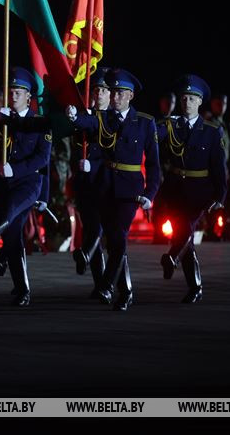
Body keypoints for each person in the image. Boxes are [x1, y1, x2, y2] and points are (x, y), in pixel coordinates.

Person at [66, 68, 161, 311]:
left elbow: (153, 164)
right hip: (105, 187)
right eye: (113, 92)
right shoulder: (103, 118)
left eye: (120, 93)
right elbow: (86, 121)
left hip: (130, 190)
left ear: (130, 96)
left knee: (118, 237)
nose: (115, 97)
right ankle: (126, 291)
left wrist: (150, 195)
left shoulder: (145, 123)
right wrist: (74, 115)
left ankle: (107, 284)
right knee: (114, 241)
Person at [0, 67, 51, 306]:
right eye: (12, 92)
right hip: (3, 183)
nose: (14, 96)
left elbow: (43, 158)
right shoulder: (1, 119)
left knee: (10, 211)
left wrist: (17, 169)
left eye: (19, 92)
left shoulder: (40, 122)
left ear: (29, 97)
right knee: (12, 236)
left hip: (28, 182)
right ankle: (22, 289)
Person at [155, 75, 227, 303]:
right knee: (184, 236)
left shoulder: (212, 131)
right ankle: (195, 286)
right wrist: (165, 121)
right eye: (183, 98)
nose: (186, 102)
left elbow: (219, 167)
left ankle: (171, 256)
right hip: (175, 189)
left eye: (191, 98)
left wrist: (221, 195)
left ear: (199, 102)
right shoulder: (171, 125)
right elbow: (153, 137)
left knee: (185, 230)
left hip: (199, 192)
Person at [71, 67, 110, 295]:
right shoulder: (84, 117)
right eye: (95, 90)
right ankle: (99, 283)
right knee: (91, 229)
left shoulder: (114, 119)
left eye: (103, 90)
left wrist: (93, 165)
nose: (98, 94)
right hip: (85, 184)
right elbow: (74, 140)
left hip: (106, 184)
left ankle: (85, 254)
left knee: (102, 230)